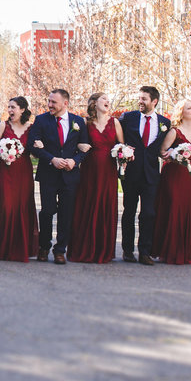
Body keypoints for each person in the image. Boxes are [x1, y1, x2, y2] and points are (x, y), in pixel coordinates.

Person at [28, 89, 89, 263]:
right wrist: (51, 159)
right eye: (49, 101)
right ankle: (44, 247)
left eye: (53, 102)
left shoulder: (78, 122)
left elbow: (85, 147)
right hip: (48, 174)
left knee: (66, 213)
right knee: (47, 211)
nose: (50, 105)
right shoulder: (41, 120)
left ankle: (60, 249)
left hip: (70, 176)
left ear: (65, 103)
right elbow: (32, 146)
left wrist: (75, 161)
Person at [68, 92, 125, 264]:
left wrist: (124, 156)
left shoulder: (115, 122)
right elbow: (74, 143)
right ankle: (84, 249)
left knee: (105, 205)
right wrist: (79, 145)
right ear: (94, 103)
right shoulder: (85, 123)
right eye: (104, 99)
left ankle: (103, 250)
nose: (108, 101)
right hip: (89, 170)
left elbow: (122, 146)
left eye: (108, 99)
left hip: (108, 171)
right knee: (87, 204)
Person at [118, 85, 171, 265]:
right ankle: (127, 250)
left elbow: (164, 147)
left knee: (148, 213)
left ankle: (145, 252)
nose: (140, 101)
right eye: (139, 98)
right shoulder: (127, 118)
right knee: (129, 211)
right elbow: (117, 138)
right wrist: (122, 151)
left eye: (144, 99)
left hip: (151, 174)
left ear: (154, 101)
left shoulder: (164, 123)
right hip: (131, 173)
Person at [0, 96, 38, 262]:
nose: (10, 110)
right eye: (9, 107)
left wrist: (39, 148)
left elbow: (34, 152)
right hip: (5, 170)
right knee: (6, 206)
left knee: (23, 205)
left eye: (13, 107)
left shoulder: (31, 127)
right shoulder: (2, 125)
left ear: (22, 109)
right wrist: (4, 155)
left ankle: (21, 247)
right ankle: (4, 247)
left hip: (24, 171)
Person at [153, 98, 191, 265]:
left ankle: (184, 251)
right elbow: (162, 152)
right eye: (189, 108)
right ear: (182, 112)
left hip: (188, 175)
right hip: (173, 174)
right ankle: (169, 250)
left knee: (186, 208)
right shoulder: (174, 131)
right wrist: (175, 154)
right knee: (173, 206)